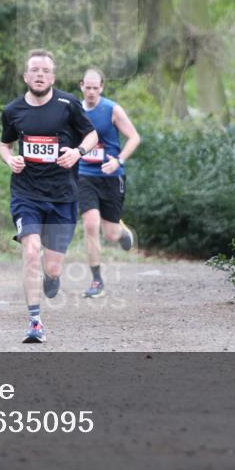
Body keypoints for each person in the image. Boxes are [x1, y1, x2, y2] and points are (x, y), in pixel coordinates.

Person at [0, 50, 98, 343]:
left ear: (52, 77)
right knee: (30, 252)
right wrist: (9, 159)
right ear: (26, 76)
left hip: (62, 196)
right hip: (26, 193)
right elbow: (4, 145)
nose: (40, 75)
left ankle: (52, 276)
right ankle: (34, 323)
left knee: (51, 266)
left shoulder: (69, 104)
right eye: (34, 70)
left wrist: (77, 152)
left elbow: (92, 136)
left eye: (45, 71)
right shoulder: (13, 110)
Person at [76, 68, 141, 298]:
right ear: (81, 86)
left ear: (101, 87)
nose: (91, 92)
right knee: (90, 224)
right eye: (88, 87)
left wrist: (119, 160)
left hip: (111, 176)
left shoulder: (111, 109)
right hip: (84, 174)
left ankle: (121, 232)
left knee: (110, 234)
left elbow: (134, 137)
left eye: (96, 87)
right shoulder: (74, 109)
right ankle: (96, 281)